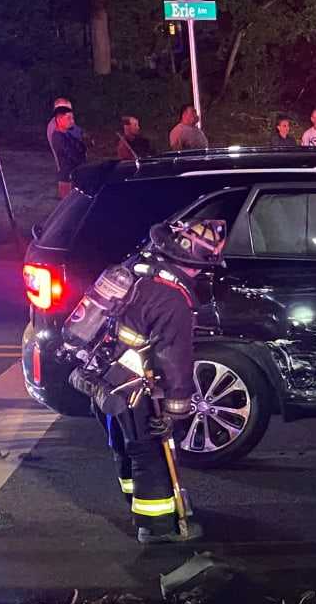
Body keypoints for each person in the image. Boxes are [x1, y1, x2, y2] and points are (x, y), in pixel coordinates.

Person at [66, 220, 227, 543]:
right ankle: (158, 527)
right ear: (195, 264)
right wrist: (175, 411)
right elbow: (174, 359)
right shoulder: (173, 299)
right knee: (151, 452)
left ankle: (137, 503)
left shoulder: (136, 269)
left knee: (125, 447)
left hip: (101, 377)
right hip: (132, 390)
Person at [49, 105, 87, 198]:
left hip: (73, 175)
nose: (72, 121)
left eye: (72, 118)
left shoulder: (67, 135)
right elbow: (74, 155)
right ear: (59, 119)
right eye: (68, 118)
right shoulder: (58, 137)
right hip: (67, 178)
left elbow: (82, 148)